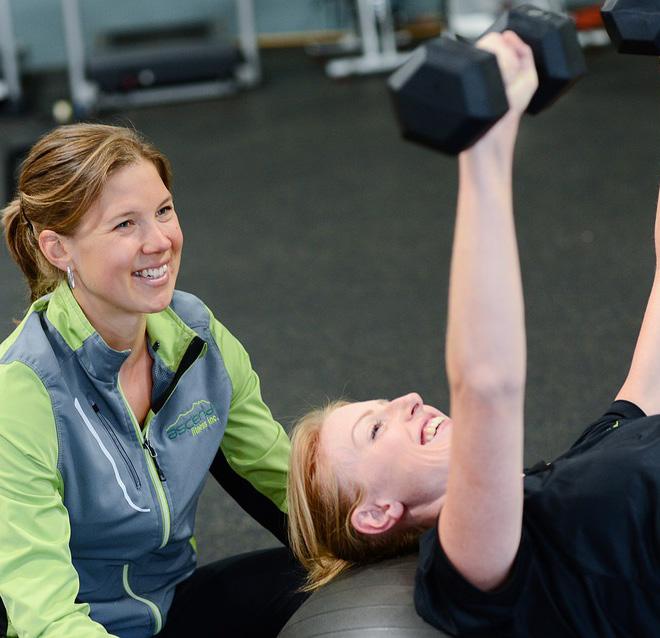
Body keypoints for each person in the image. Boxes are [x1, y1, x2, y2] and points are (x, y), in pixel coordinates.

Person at [286, 31, 660, 637]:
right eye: (376, 427)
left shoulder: (572, 466)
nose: (409, 399)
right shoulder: (469, 569)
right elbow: (487, 384)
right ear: (379, 513)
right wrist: (484, 145)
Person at [0, 123, 307, 637]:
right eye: (125, 225)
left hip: (172, 603)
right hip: (76, 624)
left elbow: (281, 479)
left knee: (340, 580)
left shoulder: (197, 337)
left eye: (164, 211)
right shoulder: (22, 392)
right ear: (57, 249)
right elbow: (45, 610)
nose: (160, 241)